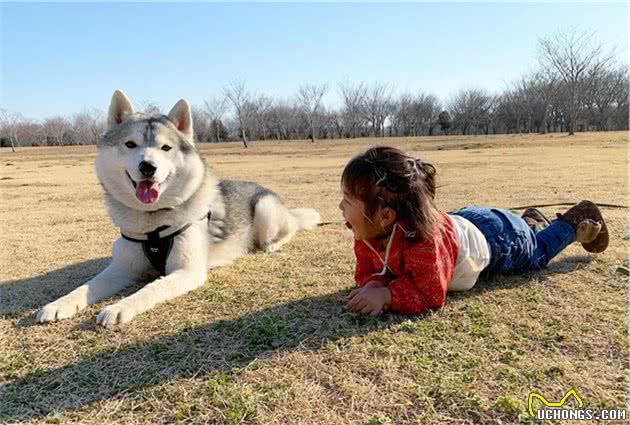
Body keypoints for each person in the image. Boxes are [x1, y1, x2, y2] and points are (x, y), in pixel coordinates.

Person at [339, 146, 608, 316]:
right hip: (465, 222)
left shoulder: (423, 243)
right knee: (526, 236)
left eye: (348, 200)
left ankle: (575, 221)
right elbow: (370, 272)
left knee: (536, 254)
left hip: (497, 239)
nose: (340, 206)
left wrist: (387, 295)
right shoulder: (368, 234)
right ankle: (531, 222)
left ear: (386, 215)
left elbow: (430, 293)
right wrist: (374, 283)